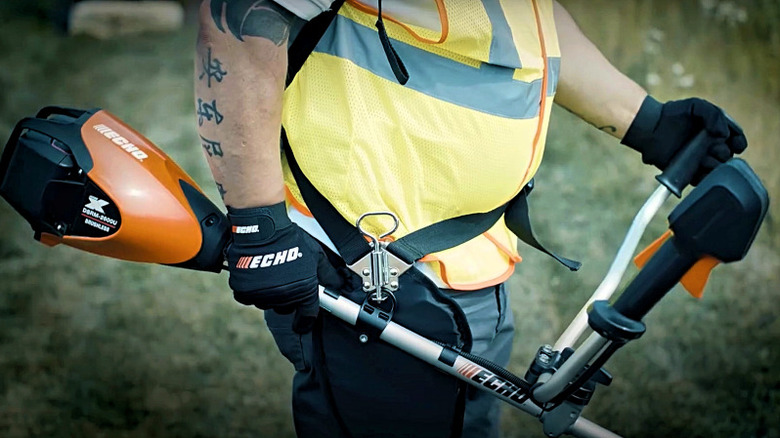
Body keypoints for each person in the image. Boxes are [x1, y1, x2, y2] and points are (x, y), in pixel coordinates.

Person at [194, 1, 747, 437]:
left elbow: (528, 20)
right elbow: (242, 16)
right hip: (366, 270)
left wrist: (647, 122)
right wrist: (257, 224)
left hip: (467, 264)